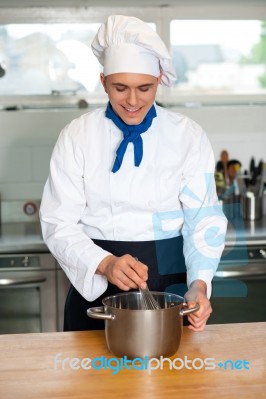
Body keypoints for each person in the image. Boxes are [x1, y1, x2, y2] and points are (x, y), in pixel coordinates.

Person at [40, 15, 227, 333]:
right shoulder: (77, 135)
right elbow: (58, 223)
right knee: (91, 380)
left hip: (171, 287)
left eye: (145, 88)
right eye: (120, 87)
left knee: (177, 381)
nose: (132, 101)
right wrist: (105, 263)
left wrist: (200, 284)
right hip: (96, 285)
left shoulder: (187, 135)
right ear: (103, 81)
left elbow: (203, 218)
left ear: (159, 80)